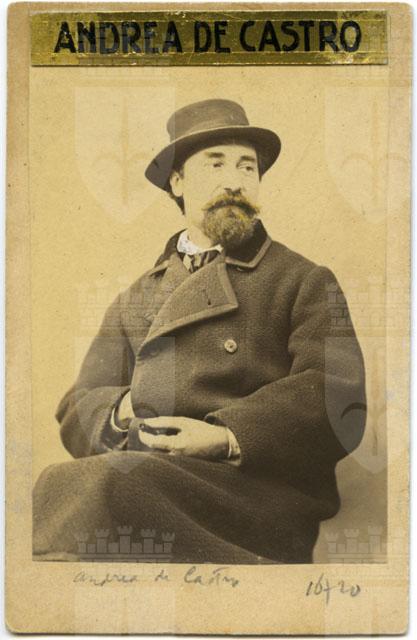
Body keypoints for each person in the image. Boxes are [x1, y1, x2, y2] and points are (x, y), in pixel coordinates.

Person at [33, 99, 367, 563]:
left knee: (110, 483)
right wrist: (123, 410)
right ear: (178, 182)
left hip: (254, 496)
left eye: (247, 167)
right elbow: (78, 402)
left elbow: (336, 395)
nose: (235, 181)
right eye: (216, 164)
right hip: (156, 475)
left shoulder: (301, 280)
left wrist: (225, 437)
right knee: (53, 485)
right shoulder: (138, 297)